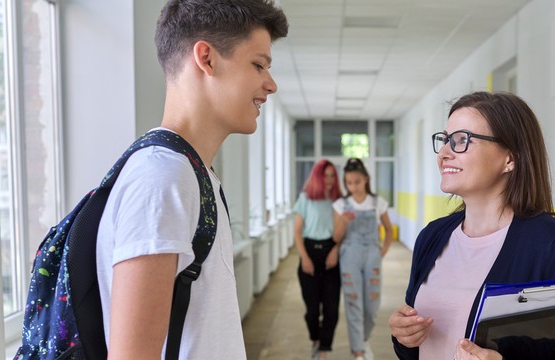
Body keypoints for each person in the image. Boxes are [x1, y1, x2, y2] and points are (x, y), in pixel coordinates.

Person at [95, 1, 288, 358]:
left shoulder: (191, 173)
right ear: (207, 58)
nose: (271, 84)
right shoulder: (164, 178)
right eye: (258, 64)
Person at [388, 91, 555, 360]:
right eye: (445, 140)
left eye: (462, 140)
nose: (445, 153)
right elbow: (418, 349)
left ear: (510, 158)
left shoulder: (549, 242)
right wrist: (405, 337)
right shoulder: (432, 236)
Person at [333, 158, 394, 360]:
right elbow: (336, 237)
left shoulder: (378, 203)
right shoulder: (341, 204)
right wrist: (342, 221)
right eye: (349, 183)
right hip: (349, 254)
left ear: (366, 179)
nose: (353, 187)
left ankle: (364, 340)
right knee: (353, 302)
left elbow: (388, 230)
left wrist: (382, 251)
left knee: (372, 305)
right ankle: (358, 351)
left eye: (357, 182)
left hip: (372, 256)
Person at [294, 159, 344, 360]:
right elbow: (297, 232)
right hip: (309, 252)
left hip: (331, 251)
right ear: (318, 176)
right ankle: (315, 339)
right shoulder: (306, 198)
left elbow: (343, 231)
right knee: (312, 310)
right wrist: (304, 258)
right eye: (326, 175)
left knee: (331, 309)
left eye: (333, 175)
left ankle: (323, 350)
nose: (330, 179)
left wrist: (336, 250)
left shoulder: (339, 200)